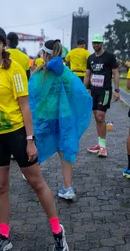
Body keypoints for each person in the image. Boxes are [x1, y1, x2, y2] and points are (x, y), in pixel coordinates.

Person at [0, 25, 68, 251]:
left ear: (3, 45)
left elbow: (25, 106)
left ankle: (58, 232)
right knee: (0, 186)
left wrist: (30, 139)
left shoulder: (14, 69)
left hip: (17, 133)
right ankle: (4, 235)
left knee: (36, 183)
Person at [29, 40, 92, 200]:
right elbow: (78, 93)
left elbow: (32, 97)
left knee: (35, 148)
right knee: (65, 152)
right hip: (64, 118)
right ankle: (67, 188)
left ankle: (33, 179)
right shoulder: (66, 73)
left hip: (45, 118)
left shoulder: (39, 74)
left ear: (45, 54)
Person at [84, 35, 120, 157]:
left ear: (102, 43)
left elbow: (115, 72)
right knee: (96, 117)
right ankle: (100, 143)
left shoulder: (109, 56)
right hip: (94, 90)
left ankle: (103, 147)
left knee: (100, 116)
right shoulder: (90, 58)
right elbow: (88, 74)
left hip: (105, 91)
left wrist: (117, 90)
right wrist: (85, 89)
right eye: (94, 43)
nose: (95, 45)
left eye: (98, 43)